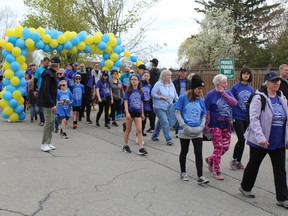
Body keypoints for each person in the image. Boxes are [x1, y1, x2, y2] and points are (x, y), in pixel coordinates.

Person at [240, 71, 288, 209]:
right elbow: (254, 119)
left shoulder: (281, 98)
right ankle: (245, 187)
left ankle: (282, 198)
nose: (277, 83)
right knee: (254, 165)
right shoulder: (259, 98)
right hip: (261, 140)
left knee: (280, 169)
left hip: (278, 141)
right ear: (267, 83)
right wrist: (260, 137)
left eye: (278, 81)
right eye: (274, 81)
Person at [175, 76, 209, 184]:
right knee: (184, 151)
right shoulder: (183, 98)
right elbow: (177, 112)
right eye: (198, 88)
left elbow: (204, 114)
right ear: (193, 88)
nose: (200, 91)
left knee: (198, 152)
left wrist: (202, 126)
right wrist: (184, 125)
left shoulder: (200, 100)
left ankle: (200, 176)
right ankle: (183, 172)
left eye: (201, 89)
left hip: (197, 130)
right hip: (185, 130)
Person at [204, 74, 237, 180]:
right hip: (214, 124)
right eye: (224, 83)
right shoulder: (210, 94)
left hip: (227, 124)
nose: (226, 84)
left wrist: (224, 94)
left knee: (225, 147)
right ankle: (216, 171)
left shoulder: (228, 92)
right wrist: (206, 125)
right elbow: (206, 110)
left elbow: (234, 103)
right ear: (218, 84)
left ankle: (210, 159)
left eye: (226, 82)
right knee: (218, 147)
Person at [230, 68, 254, 170]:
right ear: (241, 75)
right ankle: (233, 160)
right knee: (241, 138)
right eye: (244, 73)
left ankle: (238, 161)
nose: (246, 75)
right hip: (237, 116)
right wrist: (230, 117)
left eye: (248, 74)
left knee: (243, 140)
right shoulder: (235, 87)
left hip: (246, 117)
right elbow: (230, 102)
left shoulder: (251, 89)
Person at [151, 69, 178, 146]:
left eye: (170, 75)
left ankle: (154, 136)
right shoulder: (158, 84)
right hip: (159, 107)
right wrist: (161, 97)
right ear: (163, 76)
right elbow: (152, 93)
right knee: (165, 122)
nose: (170, 77)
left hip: (169, 107)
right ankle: (169, 139)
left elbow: (175, 94)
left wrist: (178, 101)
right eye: (168, 75)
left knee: (161, 122)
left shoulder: (171, 84)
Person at [38, 56, 60, 152]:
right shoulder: (48, 74)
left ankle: (48, 142)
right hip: (47, 103)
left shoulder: (52, 73)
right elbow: (46, 90)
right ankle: (44, 143)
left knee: (51, 122)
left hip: (51, 102)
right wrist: (52, 104)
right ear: (58, 65)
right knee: (48, 122)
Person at [122, 74, 147, 155]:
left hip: (138, 112)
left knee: (139, 130)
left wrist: (142, 113)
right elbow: (126, 102)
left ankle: (141, 147)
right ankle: (125, 145)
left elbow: (141, 102)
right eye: (132, 79)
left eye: (135, 79)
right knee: (128, 129)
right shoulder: (128, 91)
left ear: (138, 81)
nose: (133, 81)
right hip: (130, 111)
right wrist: (127, 112)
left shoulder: (140, 91)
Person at [173, 67, 191, 137]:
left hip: (186, 100)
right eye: (181, 71)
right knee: (178, 115)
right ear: (179, 72)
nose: (182, 73)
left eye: (184, 72)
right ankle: (177, 131)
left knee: (185, 115)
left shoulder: (189, 82)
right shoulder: (175, 82)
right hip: (178, 100)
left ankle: (185, 130)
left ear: (186, 73)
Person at [34, 57, 50, 126]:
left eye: (48, 62)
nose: (47, 63)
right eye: (46, 62)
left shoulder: (49, 69)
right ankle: (42, 120)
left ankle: (48, 120)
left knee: (49, 105)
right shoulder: (38, 70)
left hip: (49, 90)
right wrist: (35, 90)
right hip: (41, 90)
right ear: (43, 62)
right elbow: (35, 80)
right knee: (41, 106)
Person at [147, 58, 160, 133]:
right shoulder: (159, 72)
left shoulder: (150, 72)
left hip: (150, 90)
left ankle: (152, 126)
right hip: (158, 91)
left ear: (152, 64)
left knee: (150, 109)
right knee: (155, 108)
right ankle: (154, 126)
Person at [141, 71, 152, 137]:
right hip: (140, 103)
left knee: (144, 119)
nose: (146, 77)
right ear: (142, 76)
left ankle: (141, 131)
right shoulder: (140, 84)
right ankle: (140, 131)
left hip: (147, 104)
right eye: (145, 75)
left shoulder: (149, 85)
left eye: (147, 76)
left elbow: (150, 93)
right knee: (139, 118)